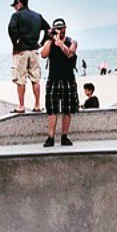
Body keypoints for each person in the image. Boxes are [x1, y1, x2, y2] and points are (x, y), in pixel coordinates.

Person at [8, 0, 50, 113]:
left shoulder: (16, 16)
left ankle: (21, 106)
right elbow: (48, 30)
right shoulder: (37, 16)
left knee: (20, 78)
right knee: (35, 78)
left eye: (15, 5)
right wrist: (41, 42)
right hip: (34, 50)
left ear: (19, 3)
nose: (15, 8)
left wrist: (16, 43)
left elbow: (11, 29)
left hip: (21, 50)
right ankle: (37, 105)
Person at [41, 18, 78, 147]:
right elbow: (43, 54)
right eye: (57, 28)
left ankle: (64, 136)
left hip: (68, 78)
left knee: (67, 109)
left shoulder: (71, 41)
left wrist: (60, 44)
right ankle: (50, 136)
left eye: (61, 28)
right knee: (52, 110)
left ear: (65, 28)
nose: (60, 31)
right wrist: (50, 40)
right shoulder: (50, 42)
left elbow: (70, 53)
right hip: (53, 78)